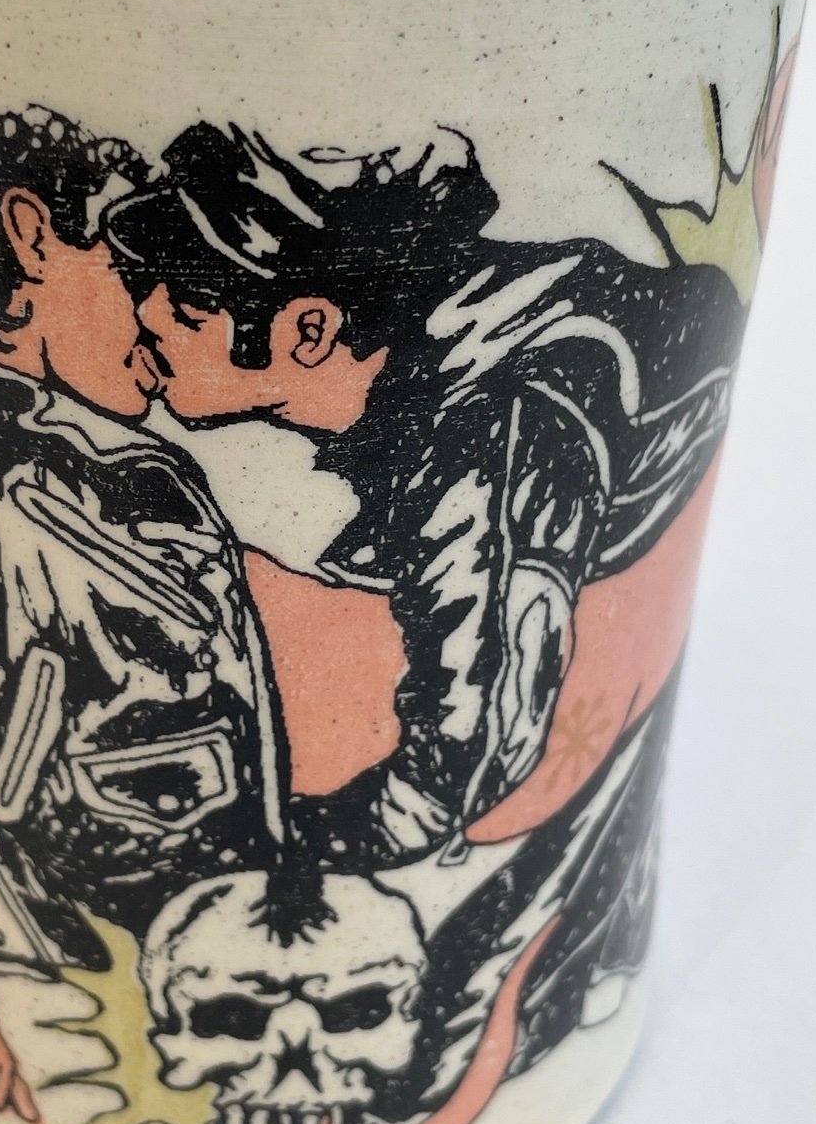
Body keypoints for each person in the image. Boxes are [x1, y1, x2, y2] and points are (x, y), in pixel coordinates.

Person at [106, 122, 746, 877]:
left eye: (187, 308)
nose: (148, 322)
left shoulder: (499, 425)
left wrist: (283, 843)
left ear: (308, 330)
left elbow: (472, 746)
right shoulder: (408, 387)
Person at [0, 89, 288, 1119]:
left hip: (220, 951)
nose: (162, 309)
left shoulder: (140, 464)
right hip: (54, 965)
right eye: (129, 265)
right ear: (33, 237)